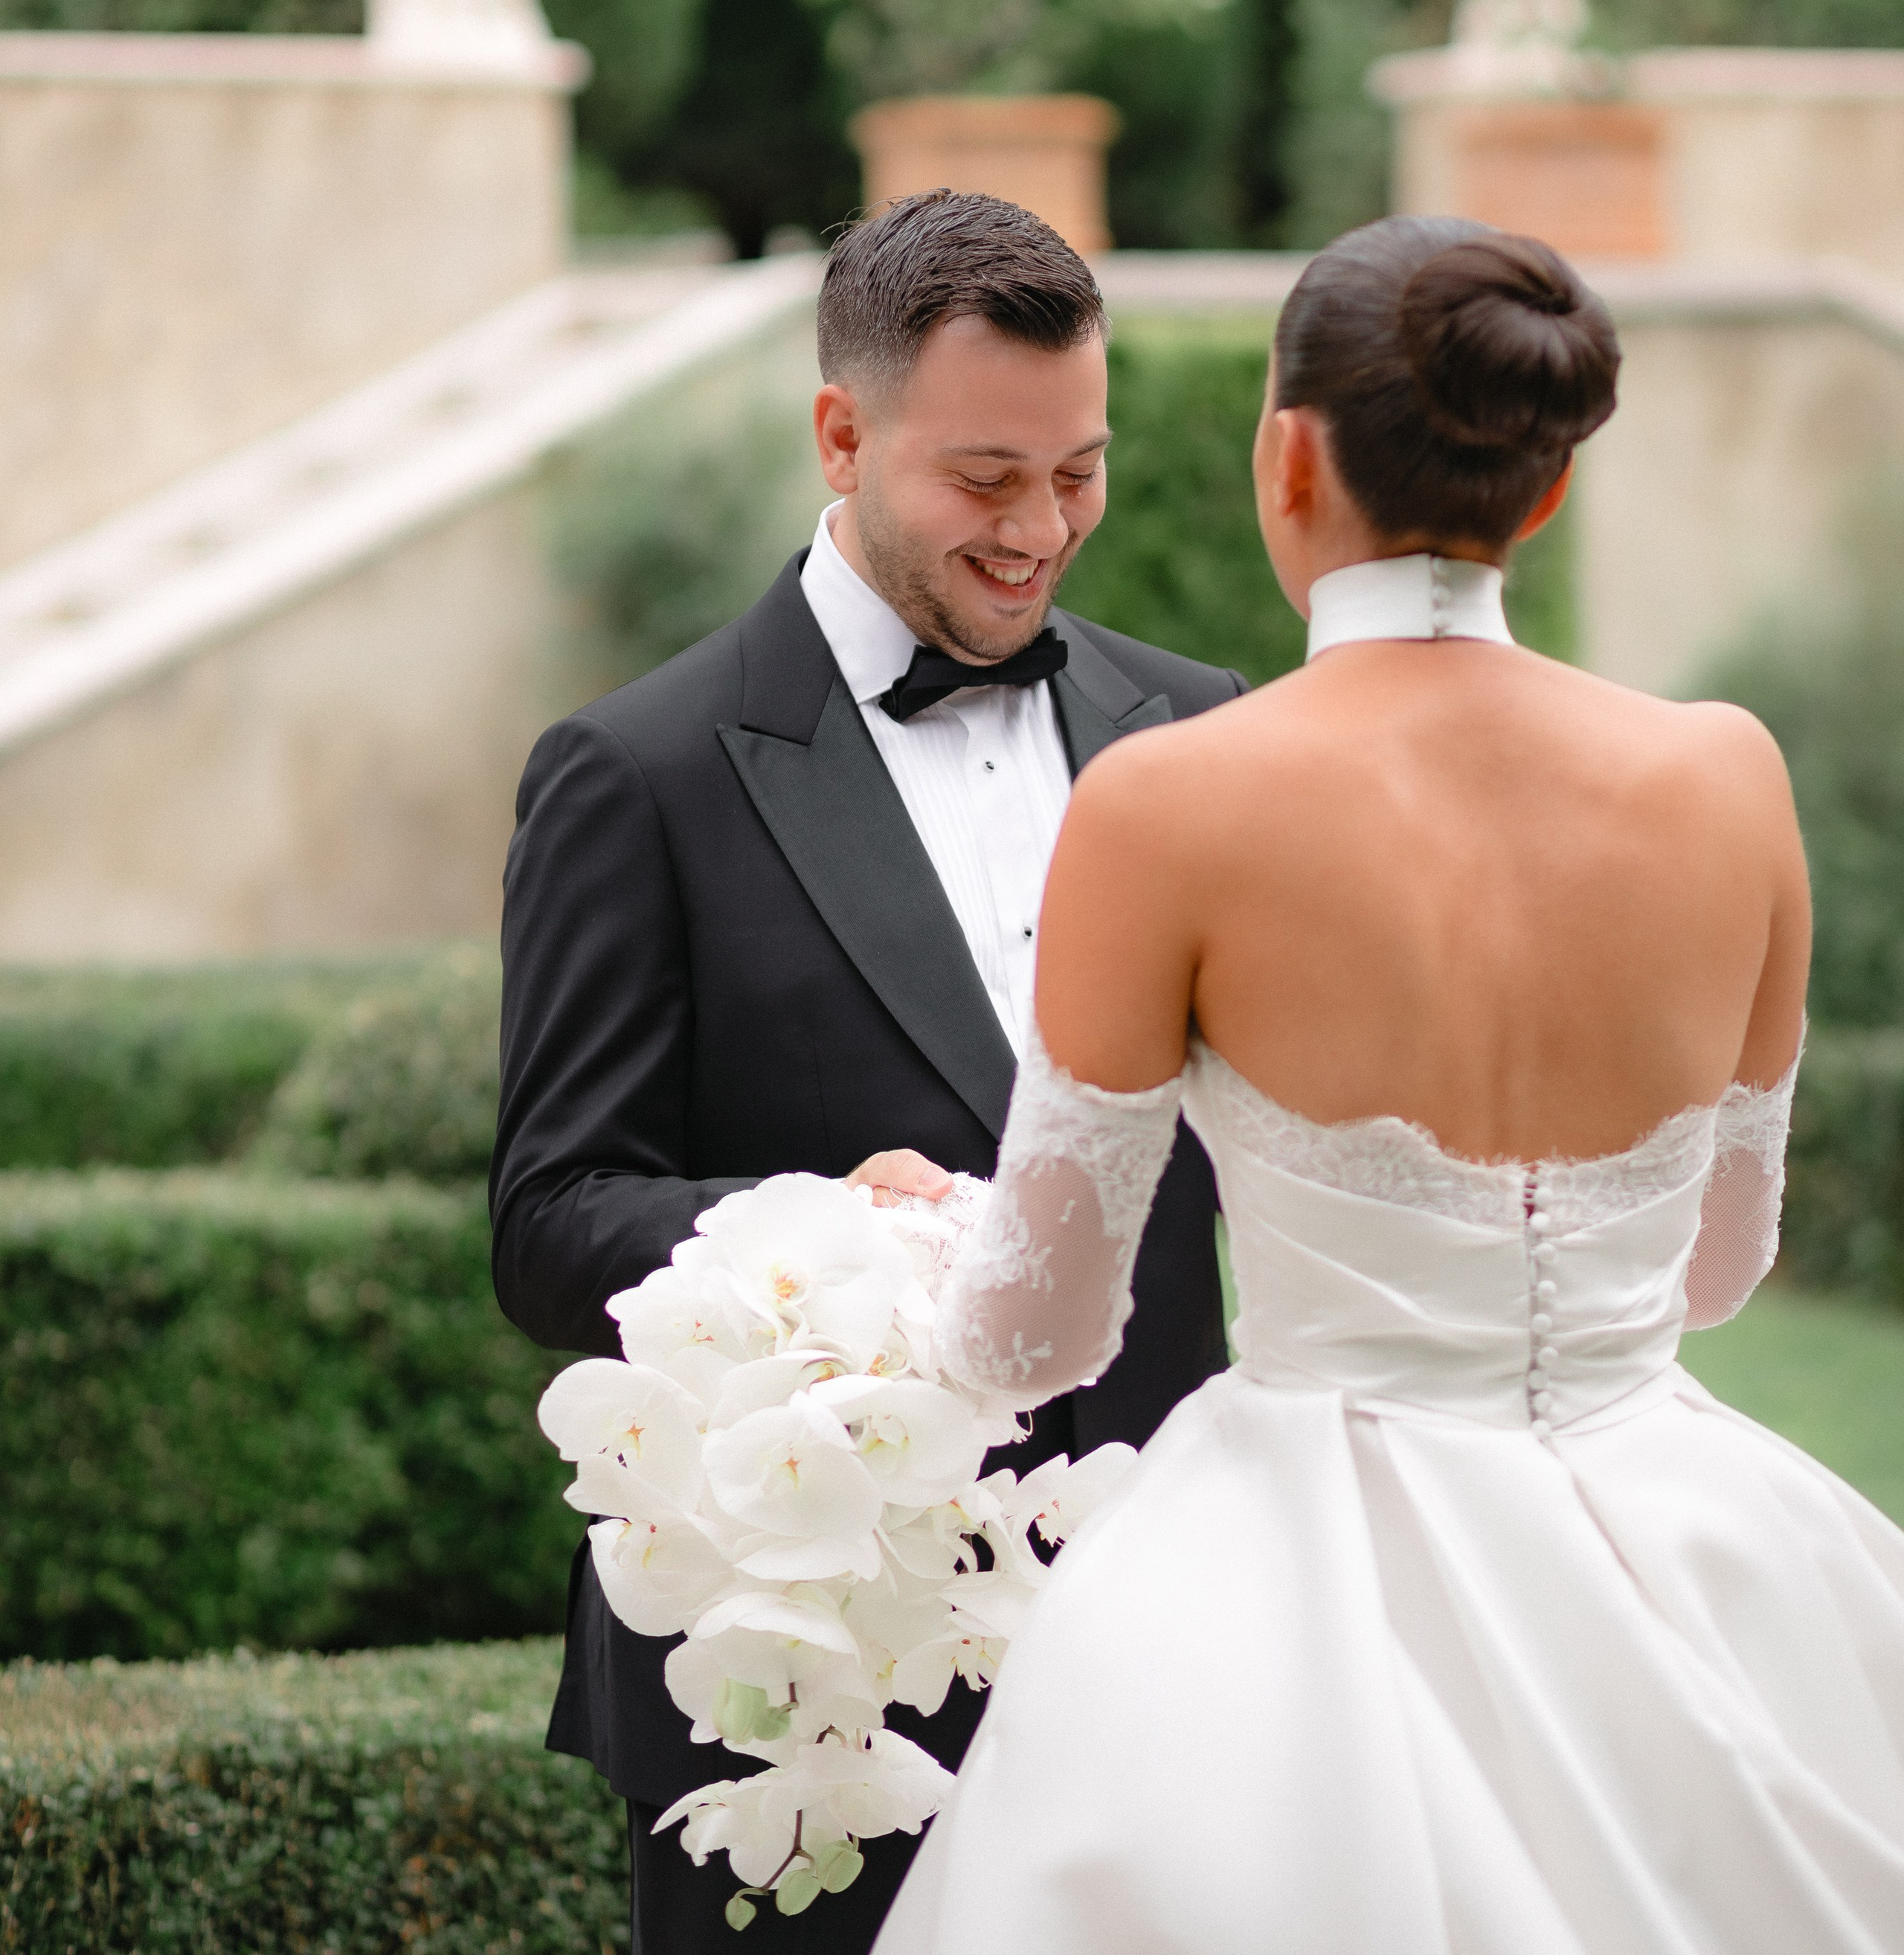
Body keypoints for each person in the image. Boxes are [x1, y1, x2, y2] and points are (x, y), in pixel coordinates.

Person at [880, 214, 1904, 1954]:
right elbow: (1713, 1273)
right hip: (1688, 1550)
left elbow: (1037, 1339)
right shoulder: (1729, 778)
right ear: (1544, 486)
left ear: (1286, 457)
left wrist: (911, 1240)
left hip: (1291, 1591)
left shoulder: (1162, 805)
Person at [490, 190, 1239, 1954]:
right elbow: (547, 1222)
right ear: (840, 433)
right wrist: (825, 1226)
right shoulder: (635, 772)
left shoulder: (1200, 728)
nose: (1042, 530)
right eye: (985, 481)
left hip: (1158, 1634)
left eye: (1079, 471)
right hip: (807, 1661)